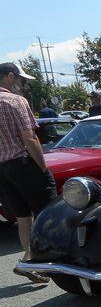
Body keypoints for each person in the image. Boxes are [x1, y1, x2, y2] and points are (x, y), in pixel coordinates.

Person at [0, 62, 57, 284]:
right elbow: (30, 137)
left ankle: (28, 258)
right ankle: (42, 261)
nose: (22, 86)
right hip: (23, 163)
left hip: (2, 169)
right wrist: (42, 166)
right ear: (10, 77)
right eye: (22, 81)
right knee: (48, 212)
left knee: (23, 217)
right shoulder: (15, 101)